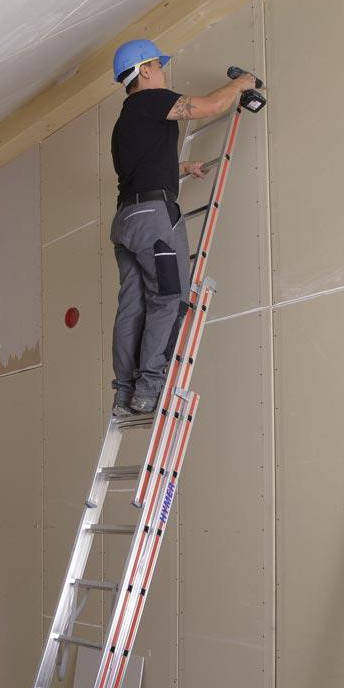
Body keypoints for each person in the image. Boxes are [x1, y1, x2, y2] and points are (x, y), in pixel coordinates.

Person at [109, 38, 256, 416]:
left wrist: (181, 169)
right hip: (153, 221)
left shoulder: (124, 122)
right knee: (168, 296)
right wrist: (241, 84)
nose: (163, 72)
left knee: (132, 306)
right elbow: (209, 107)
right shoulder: (150, 100)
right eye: (158, 65)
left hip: (126, 222)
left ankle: (124, 392)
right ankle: (149, 386)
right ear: (144, 70)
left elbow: (141, 171)